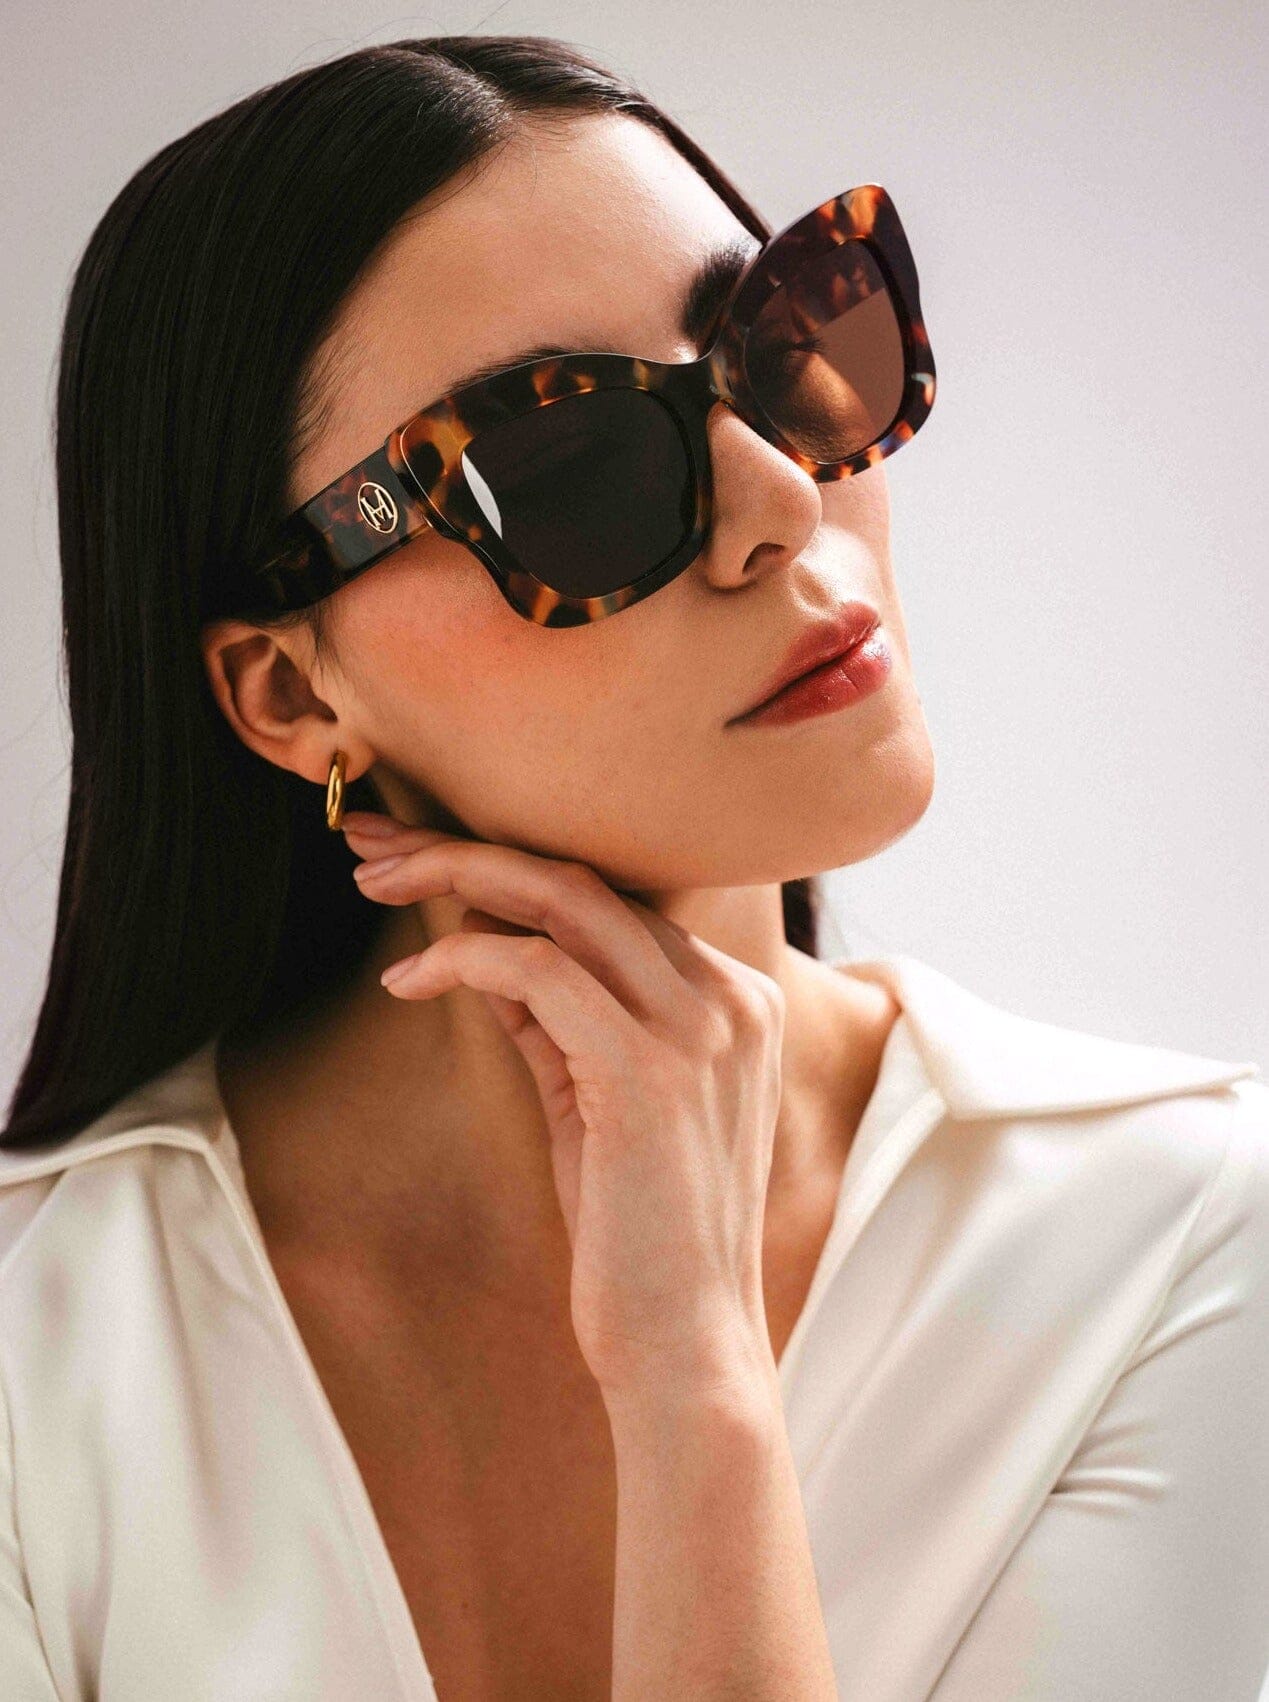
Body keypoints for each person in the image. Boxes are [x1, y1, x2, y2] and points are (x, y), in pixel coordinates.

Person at [2, 33, 1266, 1702]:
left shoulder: (1191, 1237)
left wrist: (695, 1387)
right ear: (292, 694)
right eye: (570, 463)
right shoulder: (40, 1351)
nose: (779, 498)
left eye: (784, 346)